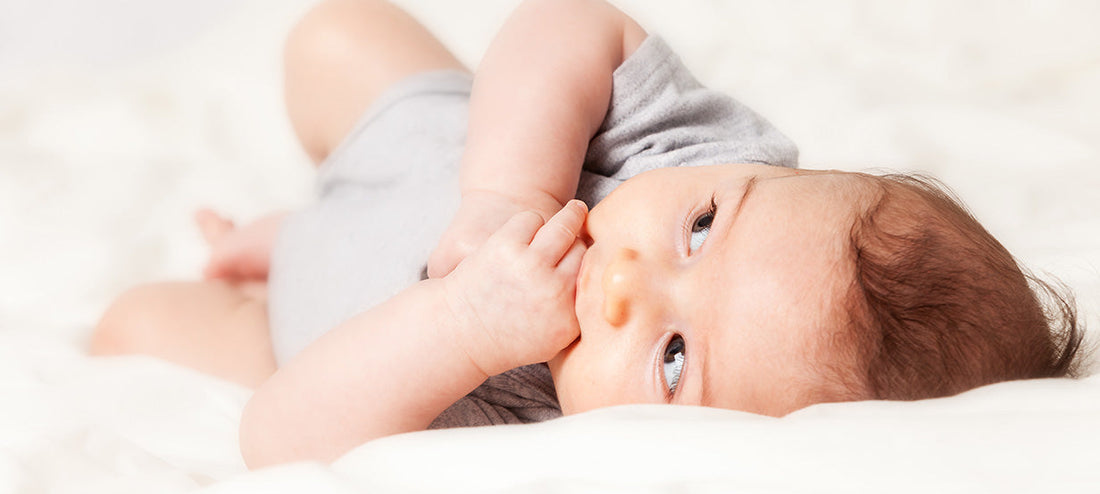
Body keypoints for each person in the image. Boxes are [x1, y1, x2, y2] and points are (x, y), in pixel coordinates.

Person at [89, 0, 1084, 469]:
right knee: (333, 31)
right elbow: (570, 22)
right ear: (758, 169)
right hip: (426, 145)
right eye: (701, 226)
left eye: (673, 354)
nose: (626, 282)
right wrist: (503, 193)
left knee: (131, 325)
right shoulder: (697, 147)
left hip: (308, 329)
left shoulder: (545, 439)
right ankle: (300, 221)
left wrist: (460, 329)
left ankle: (281, 253)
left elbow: (278, 439)